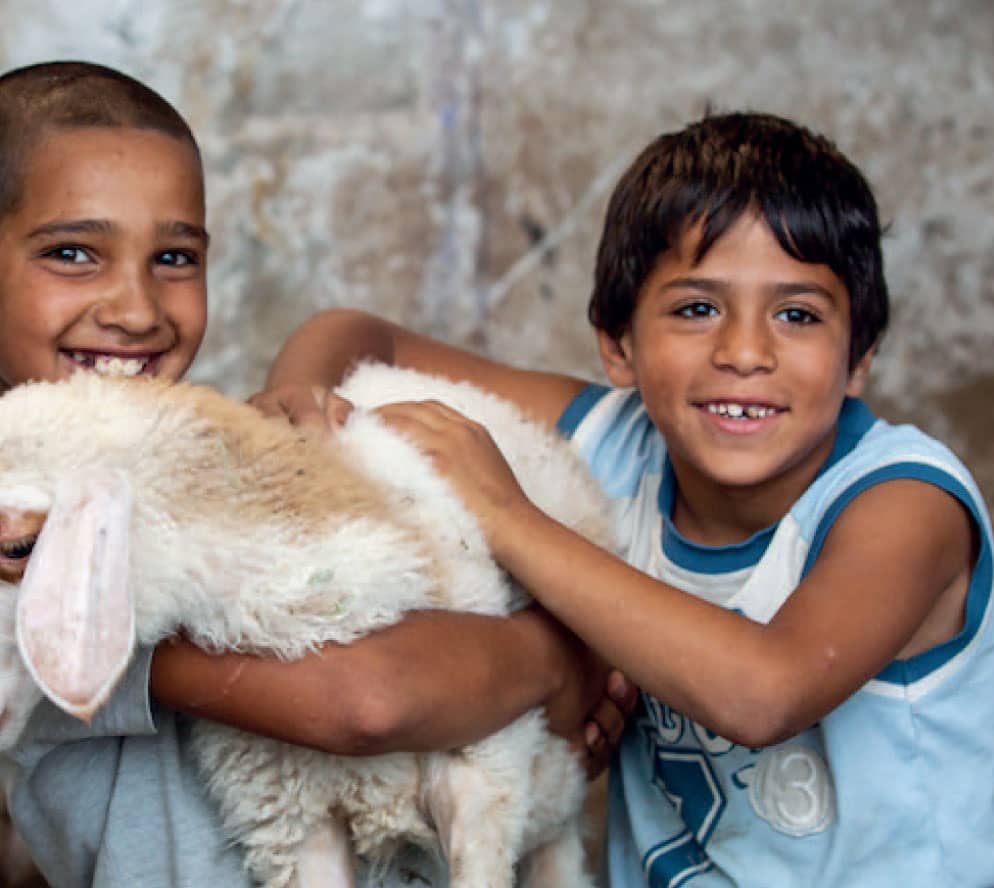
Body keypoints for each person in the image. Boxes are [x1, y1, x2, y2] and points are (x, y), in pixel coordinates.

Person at [257, 112, 994, 886]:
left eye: (797, 314)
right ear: (619, 345)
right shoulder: (622, 441)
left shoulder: (905, 501)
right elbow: (354, 333)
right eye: (696, 308)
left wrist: (507, 514)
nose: (745, 353)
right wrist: (297, 405)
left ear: (859, 358)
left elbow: (764, 693)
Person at [0, 60, 634, 888]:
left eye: (175, 256)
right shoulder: (22, 529)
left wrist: (514, 682)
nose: (137, 308)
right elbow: (369, 699)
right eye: (74, 253)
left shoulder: (192, 461)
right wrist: (563, 656)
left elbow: (440, 666)